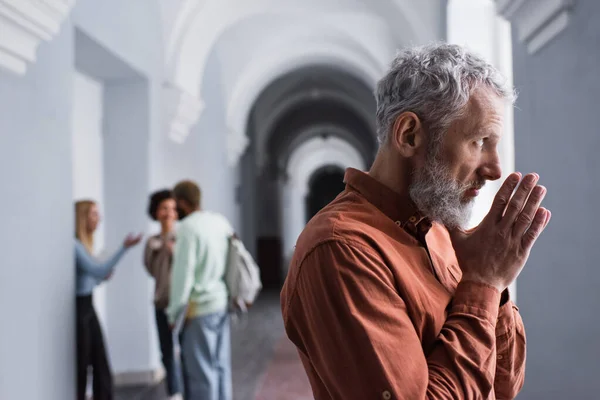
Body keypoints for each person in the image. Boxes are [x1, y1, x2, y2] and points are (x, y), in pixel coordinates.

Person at [280, 43, 552, 399]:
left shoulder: (438, 226)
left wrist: (489, 284)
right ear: (409, 134)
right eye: (480, 141)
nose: (494, 169)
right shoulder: (341, 248)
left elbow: (502, 385)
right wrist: (484, 282)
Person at [166, 180, 234, 400]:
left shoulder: (187, 228)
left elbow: (183, 274)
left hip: (198, 309)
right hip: (221, 303)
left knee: (201, 373)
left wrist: (174, 312)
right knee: (221, 367)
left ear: (183, 203)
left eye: (176, 207)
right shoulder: (220, 222)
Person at [75, 200, 142, 400]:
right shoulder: (75, 245)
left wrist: (99, 278)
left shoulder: (83, 245)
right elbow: (99, 269)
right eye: (94, 214)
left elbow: (90, 279)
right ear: (83, 217)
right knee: (82, 365)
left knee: (100, 362)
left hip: (88, 307)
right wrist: (124, 248)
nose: (99, 218)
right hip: (80, 310)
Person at [143, 190, 183, 400]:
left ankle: (190, 391)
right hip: (161, 302)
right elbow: (151, 269)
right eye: (164, 208)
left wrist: (174, 251)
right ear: (156, 212)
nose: (168, 213)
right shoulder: (152, 243)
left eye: (172, 209)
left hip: (183, 303)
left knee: (186, 350)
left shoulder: (183, 238)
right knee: (166, 352)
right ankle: (174, 393)